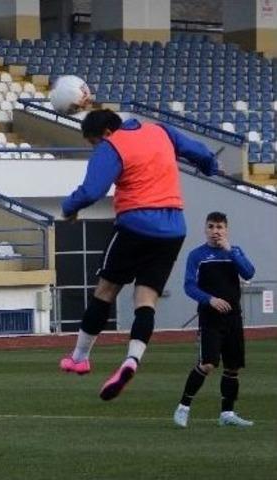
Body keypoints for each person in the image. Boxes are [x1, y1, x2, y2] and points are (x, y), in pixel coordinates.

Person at [58, 109, 219, 401]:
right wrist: (210, 166)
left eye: (94, 142)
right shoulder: (161, 131)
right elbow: (200, 153)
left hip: (135, 225)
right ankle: (132, 359)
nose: (96, 147)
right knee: (146, 301)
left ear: (105, 133)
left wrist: (69, 207)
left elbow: (92, 190)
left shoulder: (112, 145)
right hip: (172, 230)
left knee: (105, 291)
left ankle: (80, 356)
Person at [173, 212, 255, 428]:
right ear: (205, 229)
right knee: (207, 364)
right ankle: (183, 407)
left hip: (234, 317)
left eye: (220, 227)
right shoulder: (196, 255)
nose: (216, 231)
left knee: (233, 367)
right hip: (210, 318)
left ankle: (227, 413)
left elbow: (249, 273)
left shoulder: (234, 252)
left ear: (226, 229)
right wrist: (209, 299)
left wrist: (232, 252)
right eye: (211, 227)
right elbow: (189, 285)